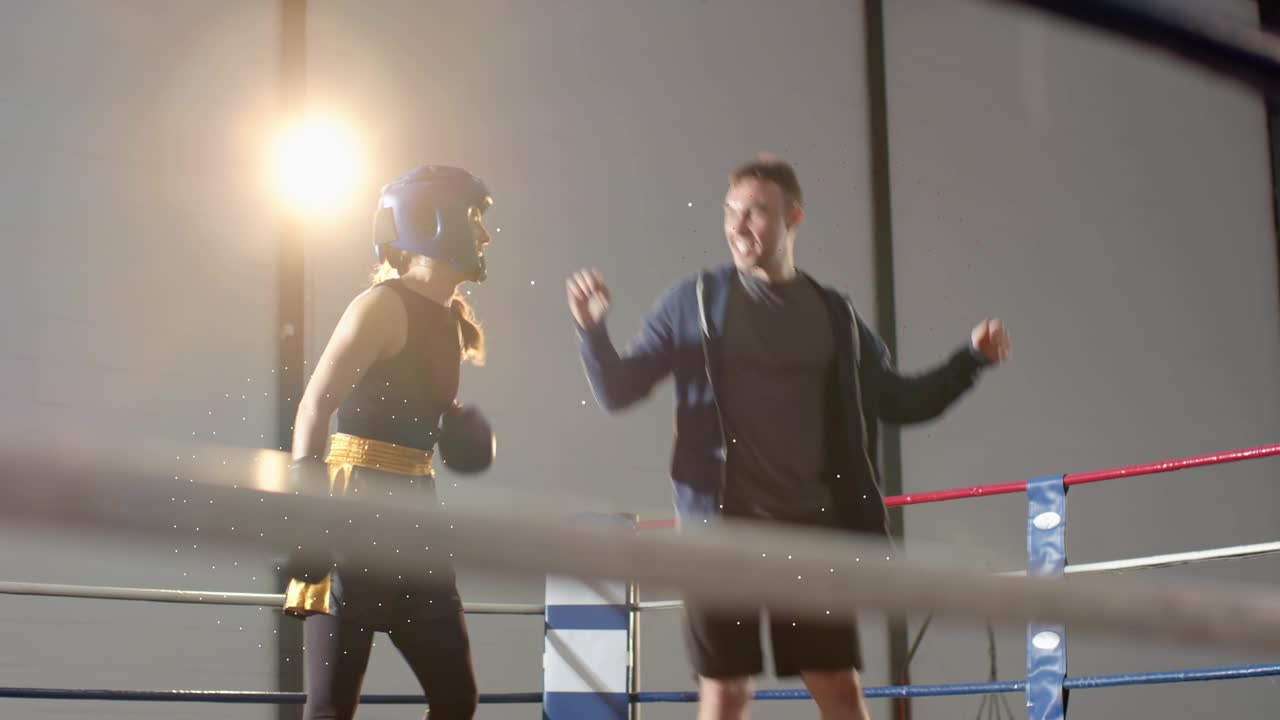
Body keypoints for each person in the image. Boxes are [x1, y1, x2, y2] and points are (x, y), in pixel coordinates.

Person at [566, 154, 1010, 720]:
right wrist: (591, 328)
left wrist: (970, 359)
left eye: (756, 212)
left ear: (793, 217)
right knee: (726, 693)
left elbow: (902, 400)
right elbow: (618, 390)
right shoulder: (694, 302)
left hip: (811, 535)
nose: (738, 225)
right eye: (731, 212)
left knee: (839, 692)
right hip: (718, 538)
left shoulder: (835, 316)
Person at [283, 164, 496, 720]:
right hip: (351, 508)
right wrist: (306, 510)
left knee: (456, 698)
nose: (484, 235)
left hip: (415, 514)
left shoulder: (449, 321)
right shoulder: (381, 305)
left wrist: (456, 429)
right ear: (435, 221)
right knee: (332, 708)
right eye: (474, 220)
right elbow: (314, 406)